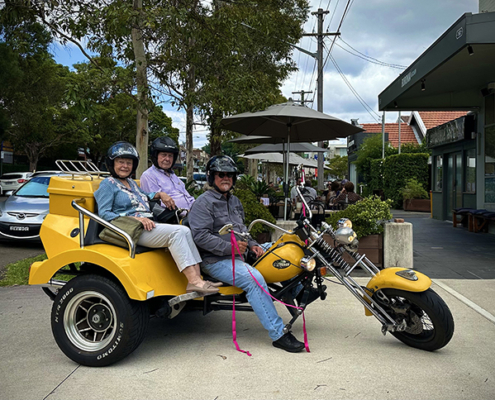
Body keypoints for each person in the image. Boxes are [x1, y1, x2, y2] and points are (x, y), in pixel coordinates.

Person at [188, 155, 306, 353]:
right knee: (254, 279)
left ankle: (297, 291)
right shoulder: (203, 203)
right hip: (215, 260)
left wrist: (252, 245)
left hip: (240, 255)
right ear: (212, 177)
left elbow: (243, 230)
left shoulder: (235, 201)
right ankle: (279, 334)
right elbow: (199, 237)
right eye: (220, 174)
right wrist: (230, 249)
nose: (225, 178)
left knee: (283, 251)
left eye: (229, 175)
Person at [94, 141, 219, 295]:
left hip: (147, 225)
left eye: (128, 163)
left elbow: (145, 195)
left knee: (186, 231)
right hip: (132, 230)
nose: (125, 166)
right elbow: (104, 214)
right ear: (112, 163)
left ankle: (199, 279)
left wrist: (159, 194)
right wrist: (135, 219)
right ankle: (193, 282)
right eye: (121, 162)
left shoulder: (131, 183)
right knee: (178, 233)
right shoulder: (108, 184)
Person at [140, 136, 194, 211]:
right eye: (164, 155)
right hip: (173, 218)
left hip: (191, 214)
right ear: (155, 156)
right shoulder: (148, 176)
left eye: (170, 156)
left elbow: (188, 198)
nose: (167, 159)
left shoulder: (173, 176)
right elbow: (157, 206)